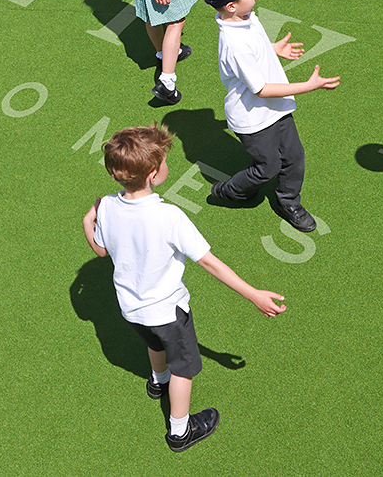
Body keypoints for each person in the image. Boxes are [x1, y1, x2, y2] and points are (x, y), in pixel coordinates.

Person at [82, 123, 286, 451]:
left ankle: (156, 381)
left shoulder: (105, 206)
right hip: (168, 312)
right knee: (184, 369)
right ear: (152, 174)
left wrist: (87, 223)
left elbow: (101, 250)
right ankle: (180, 431)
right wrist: (253, 294)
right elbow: (209, 263)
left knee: (155, 345)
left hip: (131, 309)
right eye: (163, 161)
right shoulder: (170, 217)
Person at [201, 0, 340, 233]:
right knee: (268, 167)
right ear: (231, 5)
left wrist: (272, 48)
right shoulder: (234, 44)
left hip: (276, 109)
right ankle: (231, 191)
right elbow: (261, 89)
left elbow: (257, 46)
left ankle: (288, 201)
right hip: (253, 118)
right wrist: (307, 86)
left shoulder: (246, 17)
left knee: (294, 156)